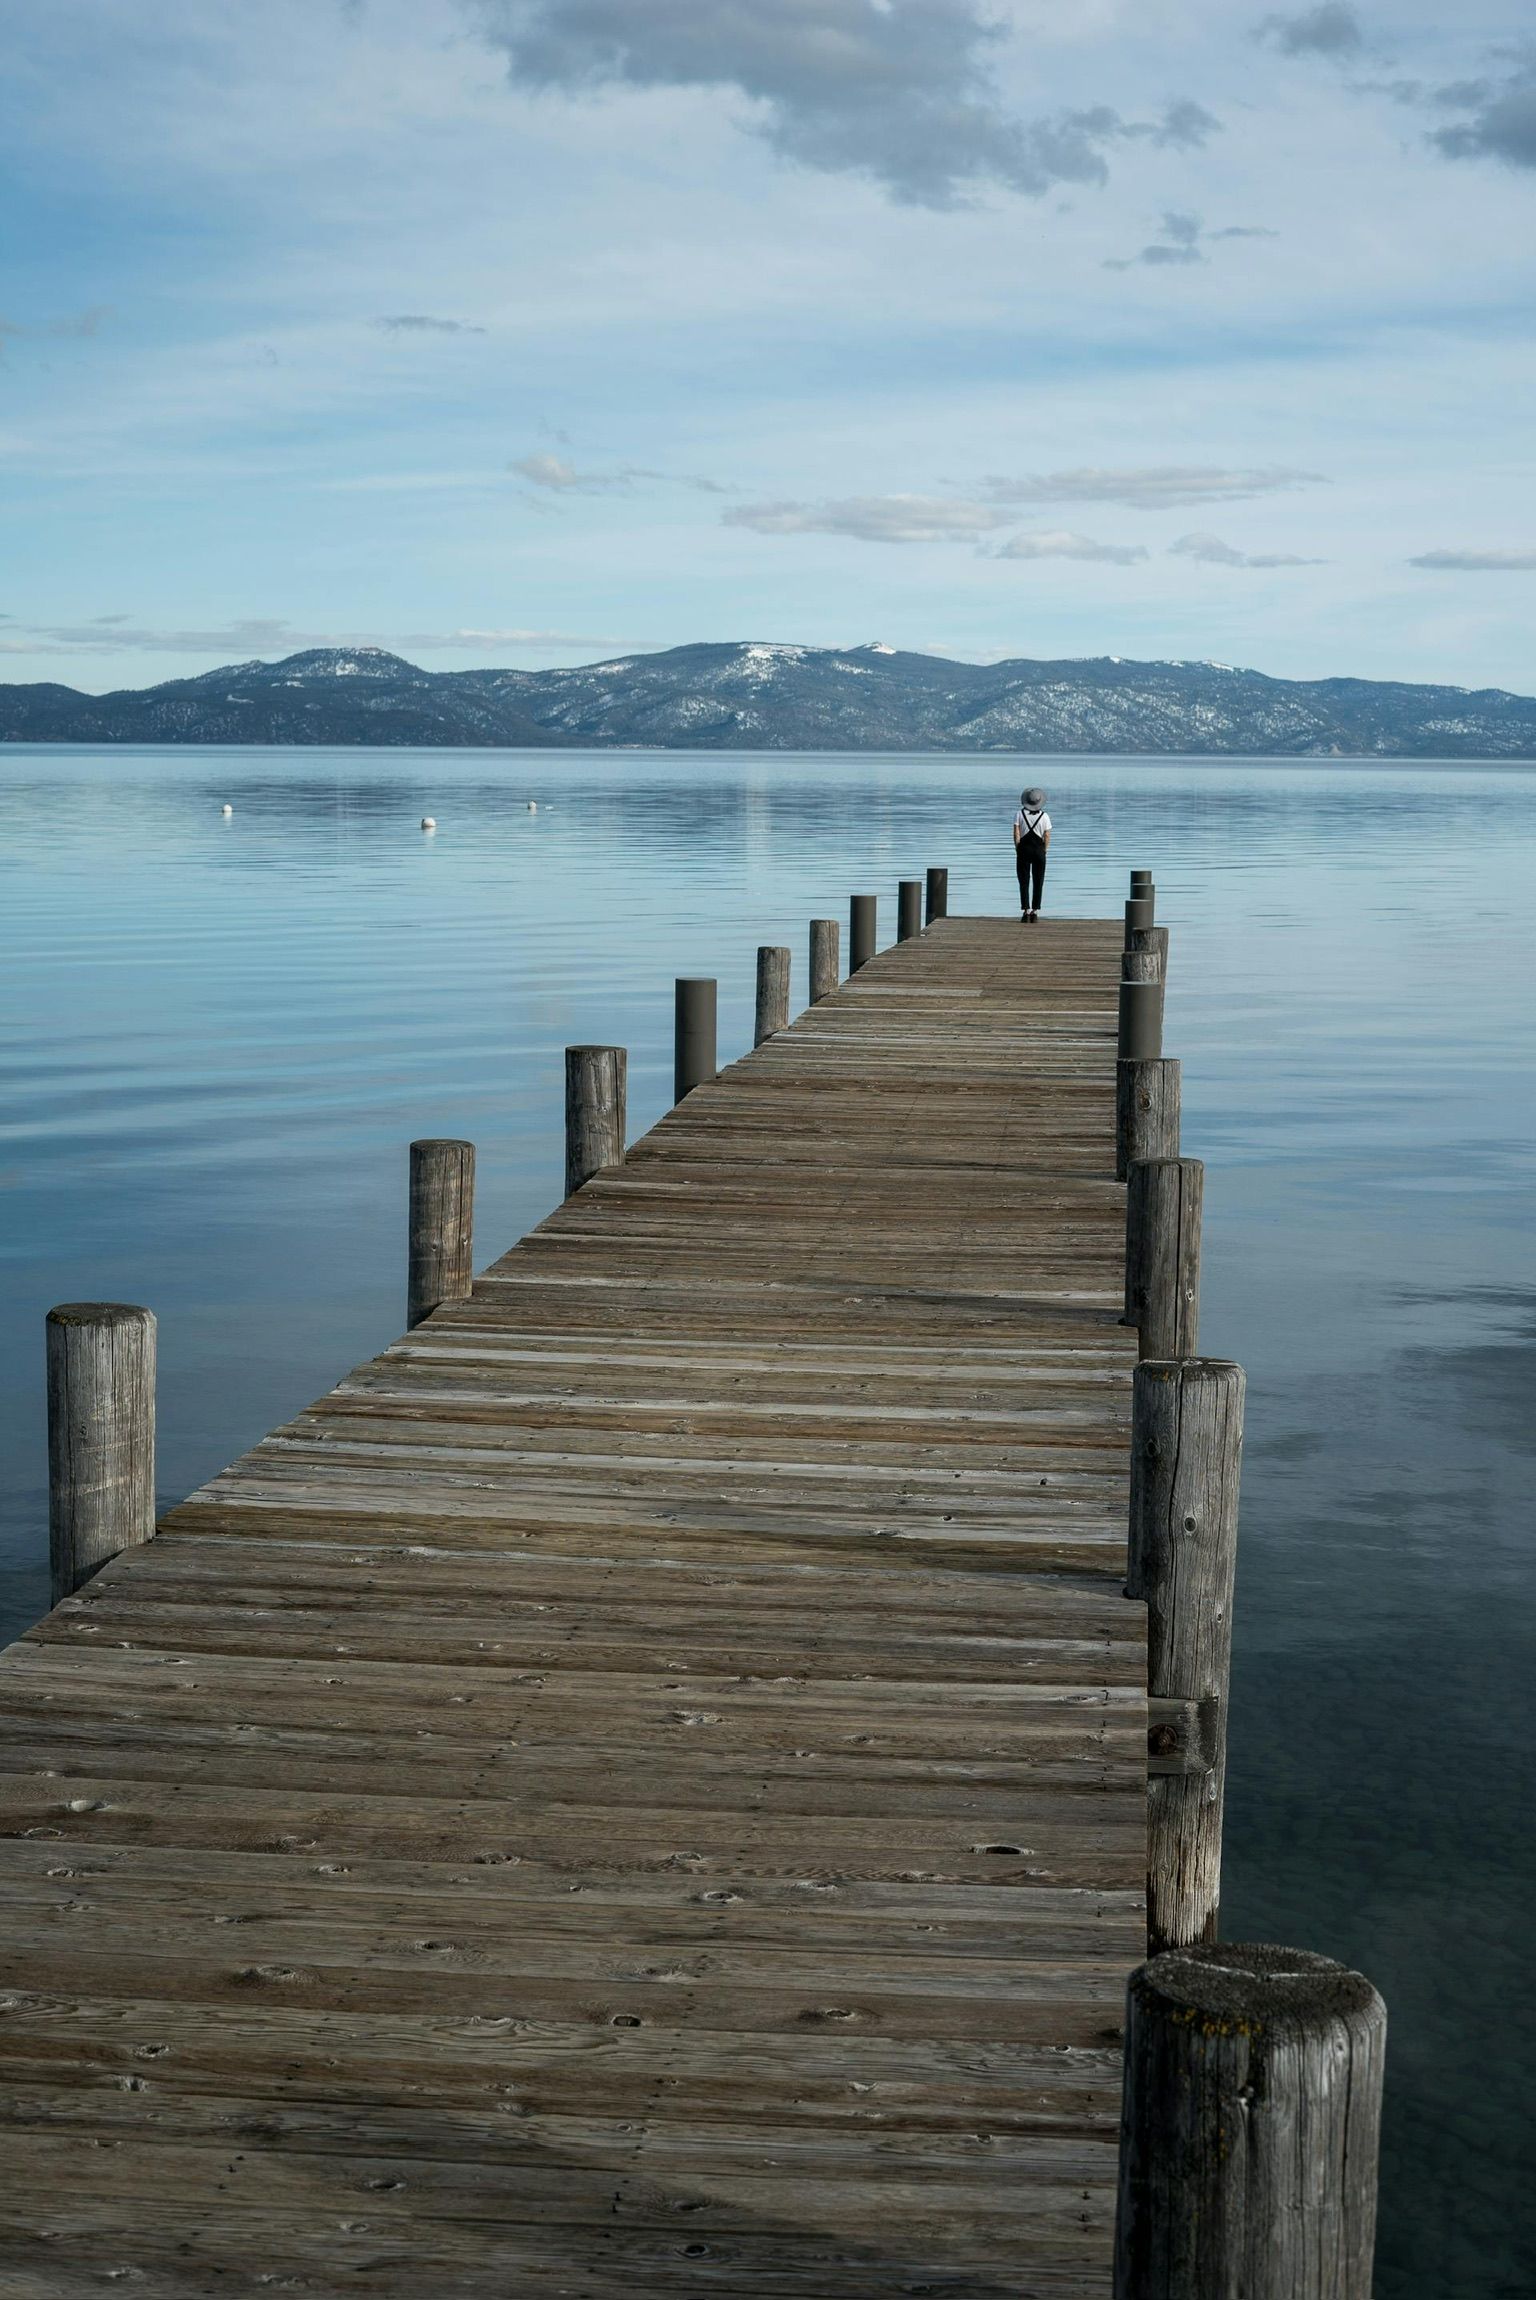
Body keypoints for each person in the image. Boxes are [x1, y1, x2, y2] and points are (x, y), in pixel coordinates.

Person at [1013, 787, 1050, 921]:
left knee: (1023, 880)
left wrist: (1017, 848)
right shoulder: (1044, 816)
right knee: (1038, 880)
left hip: (1024, 849)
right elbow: (1047, 835)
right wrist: (1044, 850)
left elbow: (1016, 834)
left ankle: (1025, 911)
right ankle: (1035, 911)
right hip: (1039, 850)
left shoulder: (1019, 814)